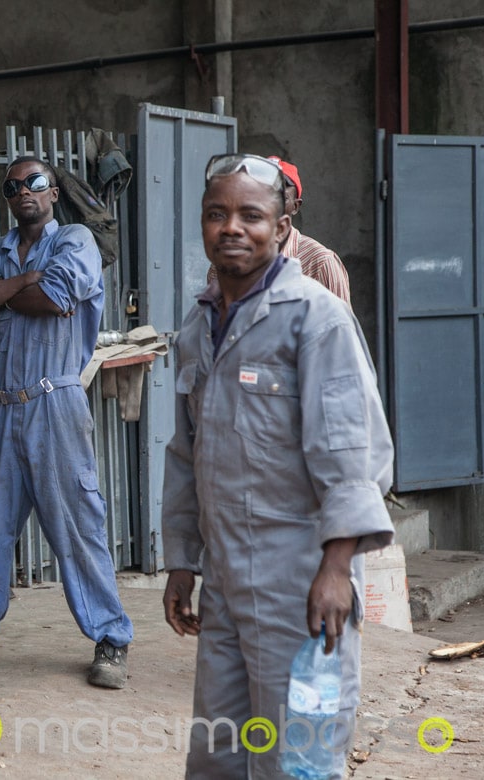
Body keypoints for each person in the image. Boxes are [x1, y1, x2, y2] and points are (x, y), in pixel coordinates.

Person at [162, 153, 394, 777]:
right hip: (226, 578)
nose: (232, 227)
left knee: (298, 758)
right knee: (219, 753)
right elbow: (187, 454)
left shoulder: (316, 320)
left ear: (283, 226)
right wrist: (183, 563)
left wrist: (337, 571)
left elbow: (353, 455)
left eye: (251, 215)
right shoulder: (199, 326)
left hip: (301, 578)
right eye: (217, 214)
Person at [0, 156, 134, 689]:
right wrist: (23, 278)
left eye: (35, 183)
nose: (24, 191)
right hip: (0, 407)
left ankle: (111, 639)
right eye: (13, 186)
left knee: (78, 527)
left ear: (52, 194)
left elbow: (54, 297)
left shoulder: (75, 241)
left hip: (55, 404)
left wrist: (7, 290)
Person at [207, 155, 351, 306]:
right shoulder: (229, 257)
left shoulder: (320, 263)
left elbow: (340, 325)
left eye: (280, 197)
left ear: (295, 206)